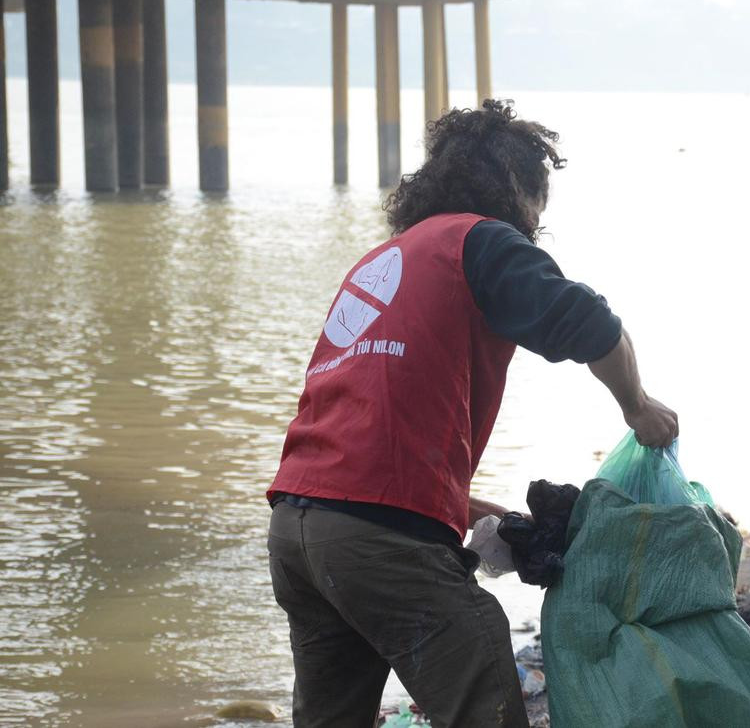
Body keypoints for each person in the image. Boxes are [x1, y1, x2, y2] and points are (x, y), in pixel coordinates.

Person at [266, 99, 678, 727]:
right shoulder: (480, 242)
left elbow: (368, 455)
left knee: (332, 719)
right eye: (538, 203)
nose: (537, 223)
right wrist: (639, 408)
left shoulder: (385, 262)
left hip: (299, 529)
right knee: (480, 681)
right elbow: (595, 326)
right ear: (517, 187)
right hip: (370, 535)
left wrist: (491, 521)